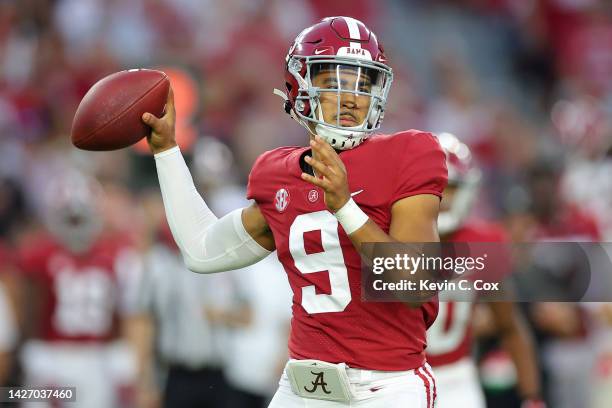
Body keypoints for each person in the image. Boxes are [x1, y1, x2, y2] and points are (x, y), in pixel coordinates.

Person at [143, 16, 447, 407]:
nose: (351, 95)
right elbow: (202, 251)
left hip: (385, 388)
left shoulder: (408, 154)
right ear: (299, 87)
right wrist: (167, 151)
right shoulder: (279, 174)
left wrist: (346, 207)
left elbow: (415, 284)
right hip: (303, 386)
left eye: (362, 81)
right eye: (335, 79)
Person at [425, 133, 544, 408]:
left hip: (455, 379)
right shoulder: (385, 237)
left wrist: (532, 398)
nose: (442, 197)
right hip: (394, 376)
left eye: (451, 187)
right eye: (433, 186)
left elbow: (509, 325)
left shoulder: (482, 244)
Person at [16, 172, 143, 408]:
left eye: (79, 218)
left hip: (97, 359)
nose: (76, 225)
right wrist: (36, 356)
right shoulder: (39, 254)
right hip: (52, 355)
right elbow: (29, 311)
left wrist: (123, 363)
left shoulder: (117, 255)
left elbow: (125, 315)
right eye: (70, 218)